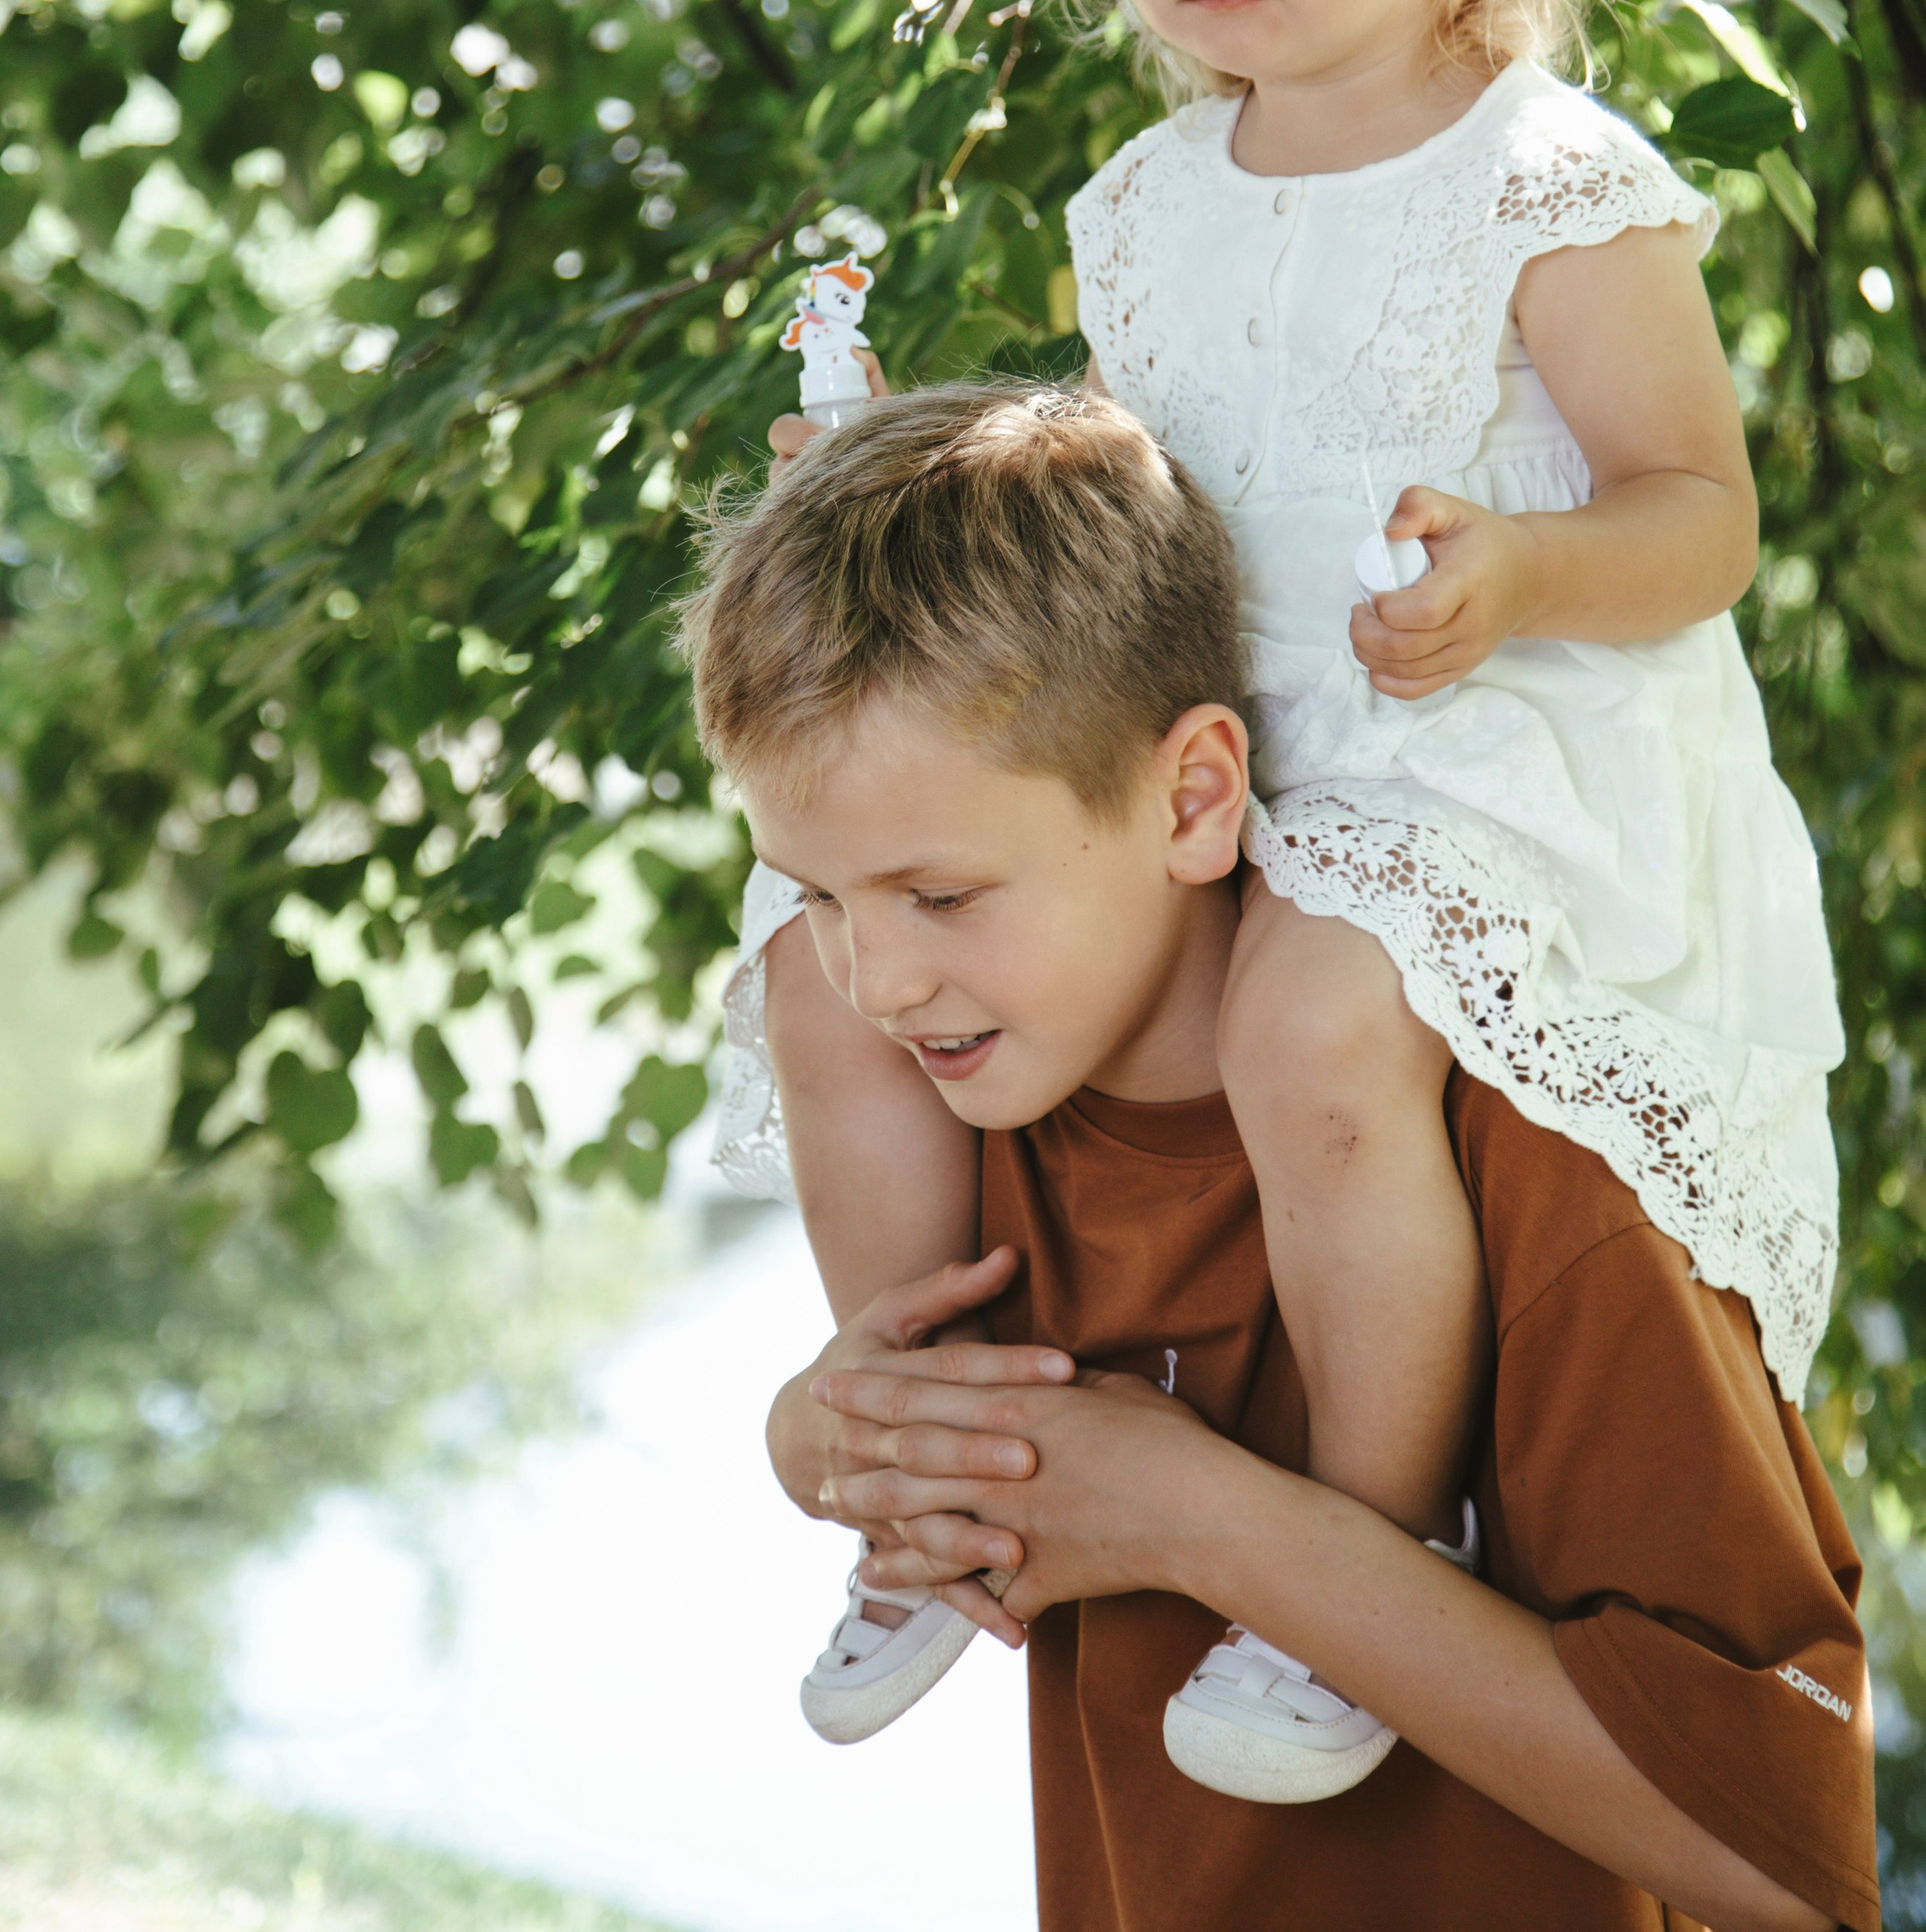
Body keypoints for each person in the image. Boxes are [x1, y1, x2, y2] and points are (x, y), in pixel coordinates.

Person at [715, 0, 1845, 1796]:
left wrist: (1520, 573)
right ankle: (931, 1466)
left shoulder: (1547, 177)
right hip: (1233, 720)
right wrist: (896, 460)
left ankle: (1361, 1534)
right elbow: (1164, 489)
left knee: (1322, 1009)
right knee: (811, 972)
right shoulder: (1147, 197)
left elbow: (1700, 517)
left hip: (1490, 733)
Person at [682, 384, 1876, 1932]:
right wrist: (820, 1439)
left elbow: (1789, 1861)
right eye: (820, 901)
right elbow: (922, 1462)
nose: (877, 984)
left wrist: (1200, 1517)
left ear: (1191, 796)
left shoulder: (1525, 1159)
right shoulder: (966, 1142)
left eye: (944, 898)